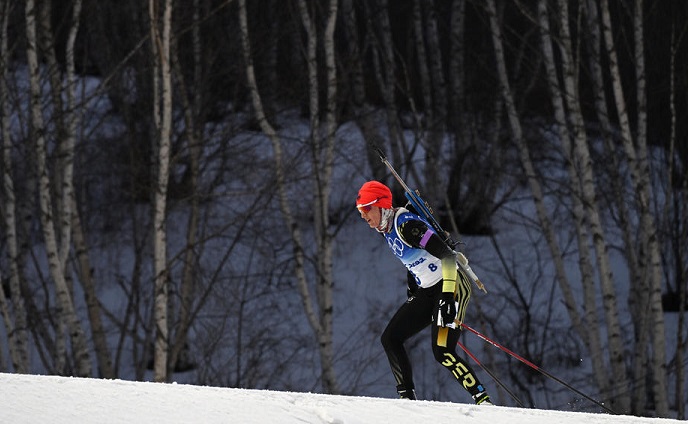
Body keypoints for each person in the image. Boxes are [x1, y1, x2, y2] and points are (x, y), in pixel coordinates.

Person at [356, 180, 492, 405]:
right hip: (429, 289)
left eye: (366, 209)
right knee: (391, 339)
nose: (364, 216)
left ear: (381, 205)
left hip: (452, 285)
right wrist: (413, 286)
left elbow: (447, 256)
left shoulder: (407, 226)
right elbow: (413, 260)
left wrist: (448, 298)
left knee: (442, 351)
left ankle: (483, 400)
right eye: (360, 212)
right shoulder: (386, 228)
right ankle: (407, 401)